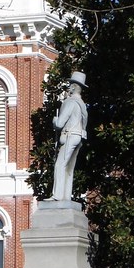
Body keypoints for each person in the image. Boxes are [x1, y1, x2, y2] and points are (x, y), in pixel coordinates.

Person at [50, 72, 88, 202]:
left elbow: (60, 123)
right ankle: (66, 196)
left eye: (71, 84)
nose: (69, 87)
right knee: (69, 168)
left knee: (60, 165)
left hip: (69, 135)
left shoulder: (70, 102)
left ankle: (57, 196)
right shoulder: (82, 104)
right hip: (78, 136)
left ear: (74, 87)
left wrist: (54, 121)